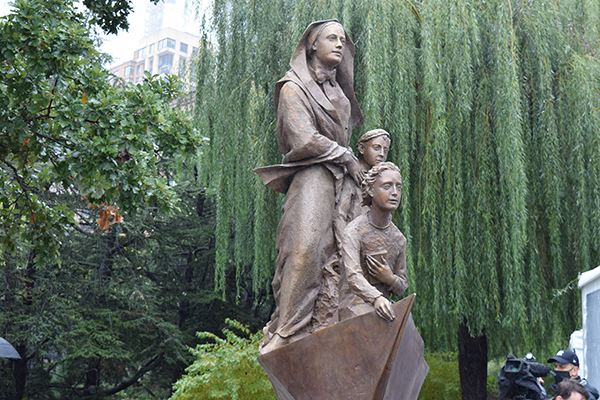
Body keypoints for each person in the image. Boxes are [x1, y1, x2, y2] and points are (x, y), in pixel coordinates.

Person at [254, 20, 364, 354]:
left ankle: (339, 325)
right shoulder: (293, 87)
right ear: (312, 44)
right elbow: (302, 139)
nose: (339, 44)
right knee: (304, 250)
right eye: (332, 38)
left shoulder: (340, 93)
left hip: (343, 182)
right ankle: (288, 332)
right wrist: (345, 155)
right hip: (312, 176)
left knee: (346, 255)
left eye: (342, 40)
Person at [338, 162, 408, 322]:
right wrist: (376, 298)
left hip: (385, 308)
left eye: (398, 187)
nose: (395, 193)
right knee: (373, 321)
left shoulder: (399, 238)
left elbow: (401, 287)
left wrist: (390, 279)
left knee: (408, 327)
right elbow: (353, 276)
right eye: (387, 186)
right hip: (354, 307)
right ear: (370, 190)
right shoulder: (354, 231)